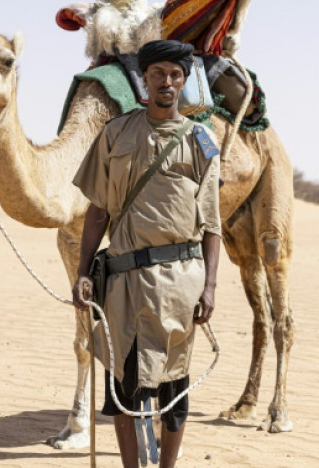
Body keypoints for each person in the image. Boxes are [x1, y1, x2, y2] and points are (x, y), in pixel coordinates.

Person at [71, 39, 222, 468]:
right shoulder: (116, 133)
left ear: (184, 80)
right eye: (158, 74)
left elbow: (212, 225)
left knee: (175, 390)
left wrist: (210, 286)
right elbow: (97, 210)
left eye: (175, 75)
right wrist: (83, 271)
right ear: (146, 79)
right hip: (123, 284)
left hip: (180, 284)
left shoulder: (201, 141)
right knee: (123, 390)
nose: (167, 83)